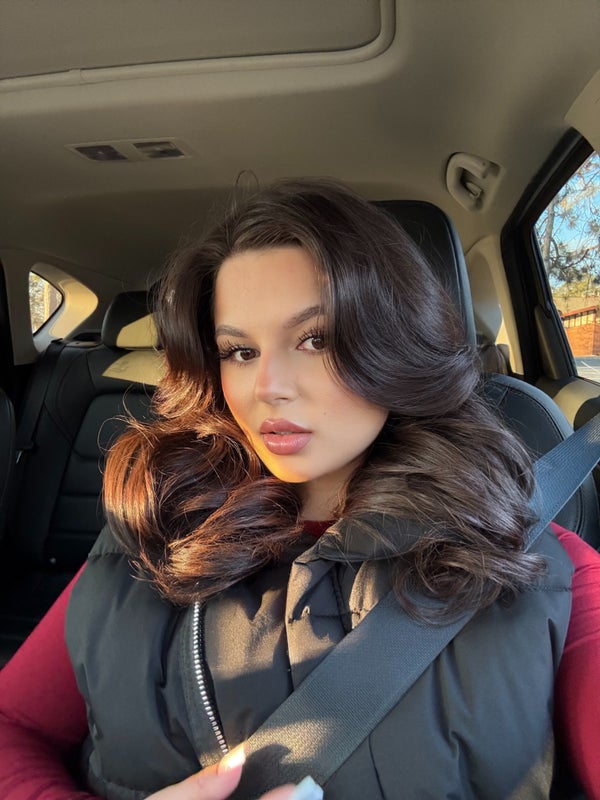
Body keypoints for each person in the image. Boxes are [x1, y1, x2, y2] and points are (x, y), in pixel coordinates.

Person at [1, 179, 600, 799]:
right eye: (239, 350)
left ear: (397, 346)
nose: (268, 387)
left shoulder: (533, 562)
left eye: (316, 339)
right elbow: (12, 725)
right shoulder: (155, 527)